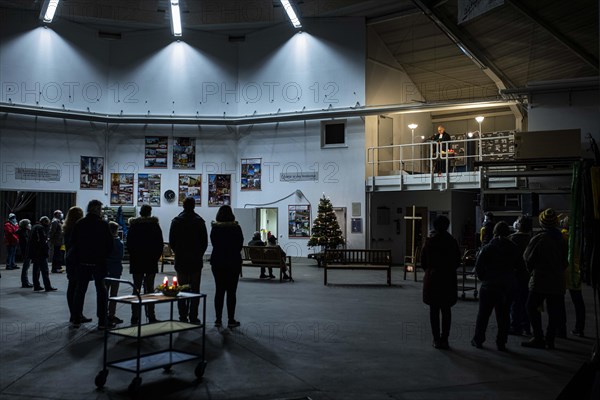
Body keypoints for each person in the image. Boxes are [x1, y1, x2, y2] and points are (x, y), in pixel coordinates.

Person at [471, 221, 525, 351]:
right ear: (508, 232)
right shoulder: (513, 247)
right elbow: (521, 267)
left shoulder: (488, 247)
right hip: (506, 287)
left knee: (483, 315)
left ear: (494, 232)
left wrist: (485, 278)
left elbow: (478, 267)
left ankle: (478, 340)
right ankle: (501, 342)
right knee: (504, 316)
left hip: (489, 286)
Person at [521, 208, 568, 349]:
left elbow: (527, 259)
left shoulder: (539, 239)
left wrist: (532, 272)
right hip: (558, 282)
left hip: (540, 281)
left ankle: (538, 337)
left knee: (530, 307)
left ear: (542, 223)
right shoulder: (563, 239)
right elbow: (566, 261)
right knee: (554, 312)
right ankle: (550, 339)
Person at [70, 200, 114, 330]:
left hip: (83, 262)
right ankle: (102, 320)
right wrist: (104, 256)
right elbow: (109, 244)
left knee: (80, 290)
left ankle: (76, 319)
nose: (101, 211)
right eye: (100, 209)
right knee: (101, 291)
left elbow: (73, 243)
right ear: (96, 209)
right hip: (99, 262)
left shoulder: (80, 223)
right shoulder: (103, 224)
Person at [420, 215, 462, 349]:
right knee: (446, 310)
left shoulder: (429, 242)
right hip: (448, 279)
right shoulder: (452, 242)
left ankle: (436, 339)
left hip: (433, 279)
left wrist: (431, 270)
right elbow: (457, 261)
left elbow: (423, 262)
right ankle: (445, 339)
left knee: (434, 310)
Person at [169, 197, 208, 324]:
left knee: (181, 289)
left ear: (183, 206)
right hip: (195, 261)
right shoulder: (199, 221)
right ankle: (193, 316)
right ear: (194, 206)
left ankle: (182, 316)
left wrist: (178, 253)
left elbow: (172, 242)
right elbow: (204, 243)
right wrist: (198, 254)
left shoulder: (176, 221)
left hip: (181, 261)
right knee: (195, 290)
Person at [127, 204, 164, 324]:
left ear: (140, 212)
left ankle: (135, 316)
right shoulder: (154, 225)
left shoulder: (134, 225)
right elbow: (160, 243)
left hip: (137, 261)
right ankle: (151, 316)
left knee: (136, 288)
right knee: (150, 289)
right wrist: (155, 257)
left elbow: (129, 244)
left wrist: (134, 256)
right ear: (150, 212)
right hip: (150, 261)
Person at [210, 205, 244, 329]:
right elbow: (240, 244)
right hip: (233, 262)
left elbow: (214, 243)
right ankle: (231, 320)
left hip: (218, 262)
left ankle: (218, 320)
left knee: (219, 291)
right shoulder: (236, 228)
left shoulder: (215, 229)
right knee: (231, 292)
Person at [63, 206, 91, 324]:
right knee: (80, 289)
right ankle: (78, 315)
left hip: (69, 259)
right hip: (80, 260)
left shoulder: (66, 227)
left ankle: (73, 314)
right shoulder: (80, 228)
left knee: (72, 286)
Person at [560, 216, 585, 337]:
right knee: (578, 302)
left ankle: (561, 328)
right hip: (576, 272)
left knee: (558, 301)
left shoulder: (564, 235)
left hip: (564, 271)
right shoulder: (580, 237)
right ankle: (579, 328)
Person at [508, 215, 533, 336]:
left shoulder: (511, 239)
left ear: (519, 225)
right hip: (528, 276)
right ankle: (526, 327)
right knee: (526, 302)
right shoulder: (532, 239)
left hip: (514, 275)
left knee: (515, 302)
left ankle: (515, 326)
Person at [29, 216, 57, 292]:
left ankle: (36, 285)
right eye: (48, 222)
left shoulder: (34, 227)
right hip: (40, 252)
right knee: (45, 270)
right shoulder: (40, 228)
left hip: (35, 252)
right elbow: (41, 241)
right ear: (45, 222)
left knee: (36, 270)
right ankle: (48, 286)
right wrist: (45, 245)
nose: (48, 224)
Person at [105, 221, 124, 325]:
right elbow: (120, 256)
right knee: (114, 295)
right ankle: (111, 315)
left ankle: (103, 315)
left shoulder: (103, 242)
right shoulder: (119, 243)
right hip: (116, 270)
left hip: (105, 269)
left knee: (104, 294)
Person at [16, 219, 32, 288]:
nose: (29, 225)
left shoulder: (24, 231)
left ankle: (26, 281)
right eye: (28, 224)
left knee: (26, 267)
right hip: (26, 252)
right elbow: (26, 244)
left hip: (26, 251)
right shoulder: (23, 232)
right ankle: (25, 282)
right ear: (25, 225)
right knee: (25, 267)